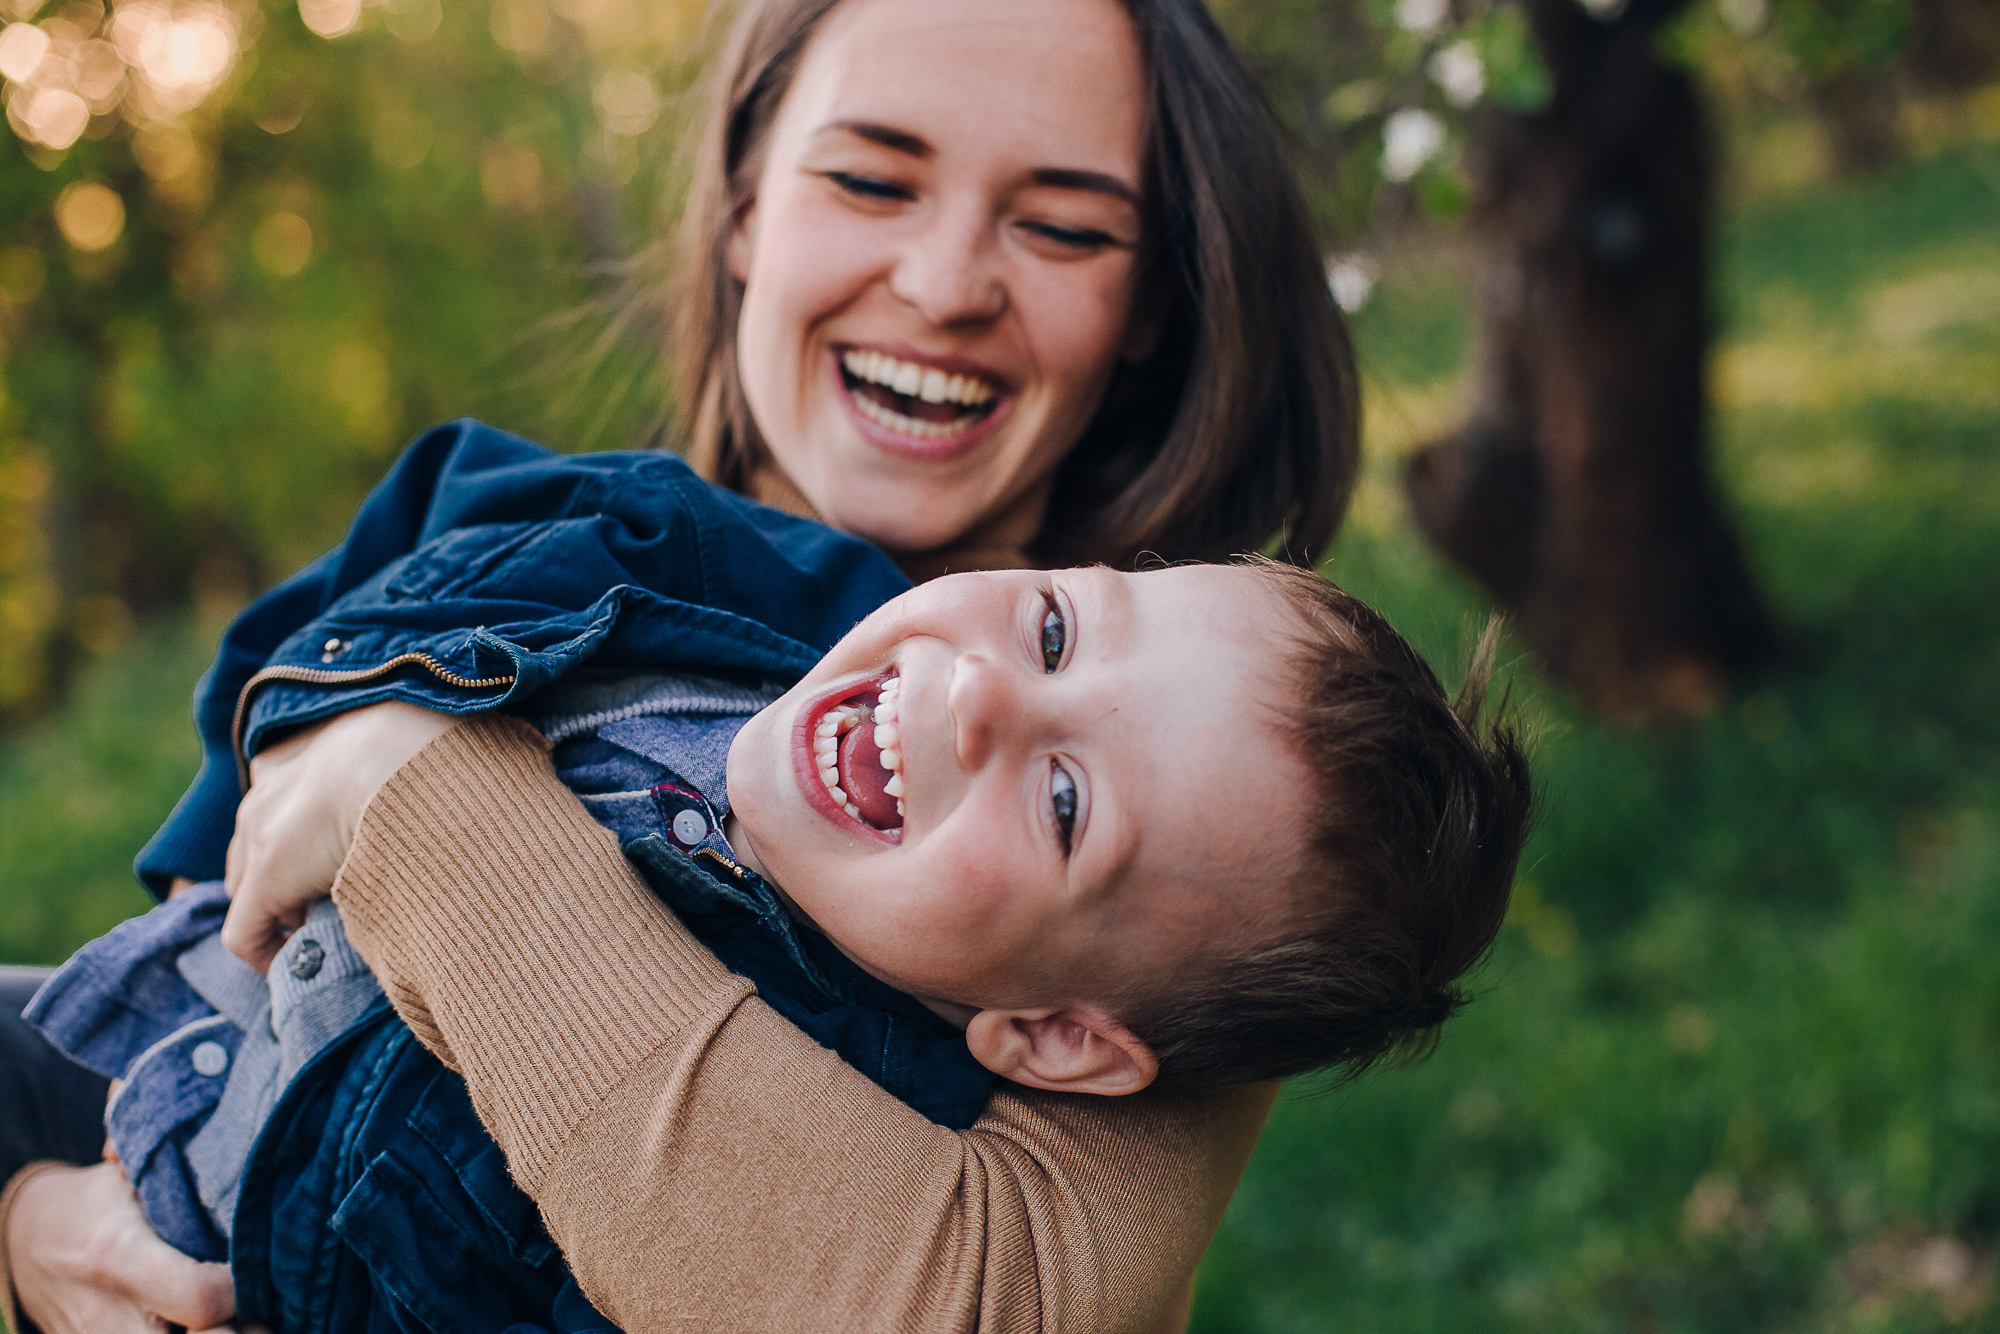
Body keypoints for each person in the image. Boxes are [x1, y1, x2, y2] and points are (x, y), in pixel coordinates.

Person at [2, 0, 1366, 1329]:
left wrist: (412, 784)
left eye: (1065, 227)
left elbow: (954, 1300)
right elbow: (169, 996)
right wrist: (28, 1230)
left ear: (1149, 300)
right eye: (871, 178)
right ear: (744, 208)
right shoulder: (495, 545)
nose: (947, 287)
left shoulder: (1195, 852)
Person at [18, 435, 1527, 1334]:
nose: (985, 697)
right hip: (119, 1020)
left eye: (1068, 804)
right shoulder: (731, 576)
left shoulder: (859, 1122)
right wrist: (254, 790)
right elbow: (443, 505)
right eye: (1061, 631)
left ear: (1061, 1037)